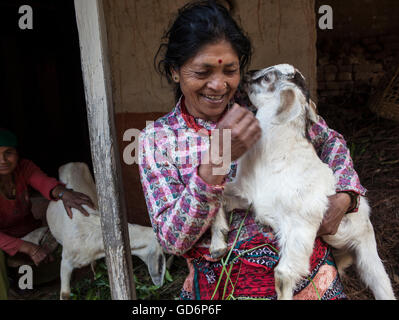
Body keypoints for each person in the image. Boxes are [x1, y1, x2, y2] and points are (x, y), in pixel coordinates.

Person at [139, 0, 366, 300]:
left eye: (229, 70)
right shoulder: (158, 140)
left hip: (307, 280)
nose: (218, 85)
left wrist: (345, 196)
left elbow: (330, 142)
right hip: (222, 291)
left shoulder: (266, 107)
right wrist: (215, 163)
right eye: (203, 72)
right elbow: (173, 240)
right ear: (174, 72)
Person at [0, 127, 94, 300]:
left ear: (17, 154)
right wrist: (28, 248)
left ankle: (19, 281)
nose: (2, 160)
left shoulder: (24, 168)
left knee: (67, 241)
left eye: (8, 153)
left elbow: (44, 182)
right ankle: (1, 281)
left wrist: (64, 194)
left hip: (25, 235)